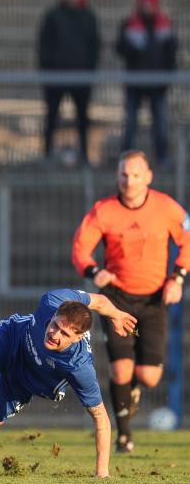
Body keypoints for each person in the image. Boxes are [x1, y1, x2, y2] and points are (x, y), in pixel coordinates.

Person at [0, 288, 137, 479]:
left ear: (78, 338)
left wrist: (102, 473)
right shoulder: (52, 300)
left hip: (25, 382)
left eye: (64, 333)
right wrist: (116, 315)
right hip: (11, 339)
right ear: (54, 314)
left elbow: (101, 418)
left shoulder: (79, 368)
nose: (54, 334)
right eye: (54, 325)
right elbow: (97, 300)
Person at [71, 150, 189, 453]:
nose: (130, 180)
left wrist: (177, 277)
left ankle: (133, 392)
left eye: (136, 174)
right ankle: (124, 435)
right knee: (121, 368)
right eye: (124, 174)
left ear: (148, 176)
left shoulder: (166, 208)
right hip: (117, 299)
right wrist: (94, 271)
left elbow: (187, 237)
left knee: (149, 376)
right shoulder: (104, 210)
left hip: (153, 299)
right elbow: (80, 248)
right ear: (117, 176)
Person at [37, 0, 100, 163]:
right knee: (52, 116)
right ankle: (47, 153)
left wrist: (89, 71)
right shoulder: (53, 16)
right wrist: (48, 71)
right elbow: (44, 45)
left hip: (81, 77)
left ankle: (85, 155)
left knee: (82, 117)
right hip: (56, 77)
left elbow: (94, 46)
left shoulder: (88, 16)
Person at [116, 0, 177, 165]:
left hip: (158, 84)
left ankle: (162, 156)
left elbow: (171, 53)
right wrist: (133, 48)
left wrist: (167, 78)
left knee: (160, 124)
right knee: (131, 123)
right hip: (135, 83)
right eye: (144, 3)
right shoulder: (129, 24)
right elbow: (120, 48)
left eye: (150, 3)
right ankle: (125, 158)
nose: (147, 6)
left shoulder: (164, 24)